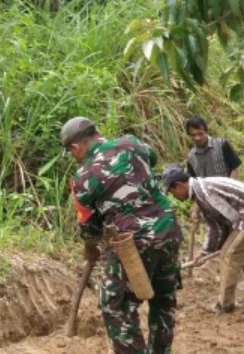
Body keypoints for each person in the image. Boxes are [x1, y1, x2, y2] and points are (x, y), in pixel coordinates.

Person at [61, 117, 183, 354]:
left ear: (75, 147)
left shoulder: (83, 178)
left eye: (71, 153)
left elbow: (89, 227)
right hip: (169, 231)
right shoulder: (132, 143)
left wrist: (90, 248)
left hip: (134, 242)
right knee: (163, 301)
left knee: (115, 305)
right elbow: (152, 158)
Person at [162, 167, 244, 314]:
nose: (173, 196)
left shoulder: (204, 193)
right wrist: (206, 252)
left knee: (229, 255)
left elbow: (227, 220)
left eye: (171, 191)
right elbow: (216, 224)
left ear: (180, 185)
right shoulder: (201, 189)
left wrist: (212, 249)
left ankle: (225, 304)